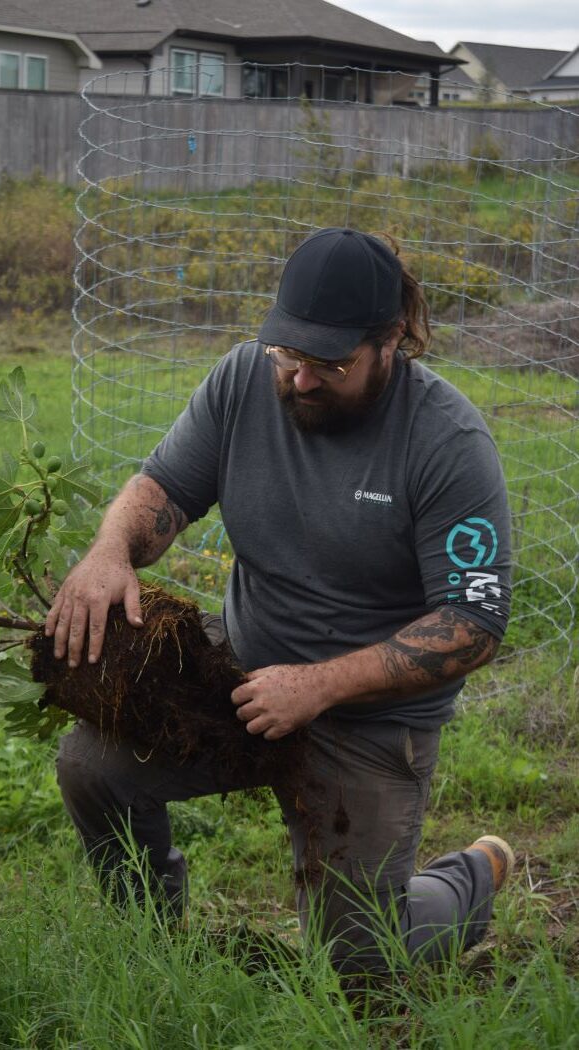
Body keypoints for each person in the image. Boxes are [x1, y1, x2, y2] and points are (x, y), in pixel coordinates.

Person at [48, 227, 514, 977]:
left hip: (367, 718)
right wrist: (109, 551)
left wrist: (320, 684)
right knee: (94, 765)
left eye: (329, 363)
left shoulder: (447, 442)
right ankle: (154, 949)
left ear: (391, 340)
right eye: (288, 355)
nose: (299, 380)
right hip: (239, 677)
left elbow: (474, 622)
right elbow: (161, 491)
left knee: (356, 964)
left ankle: (467, 879)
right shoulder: (242, 381)